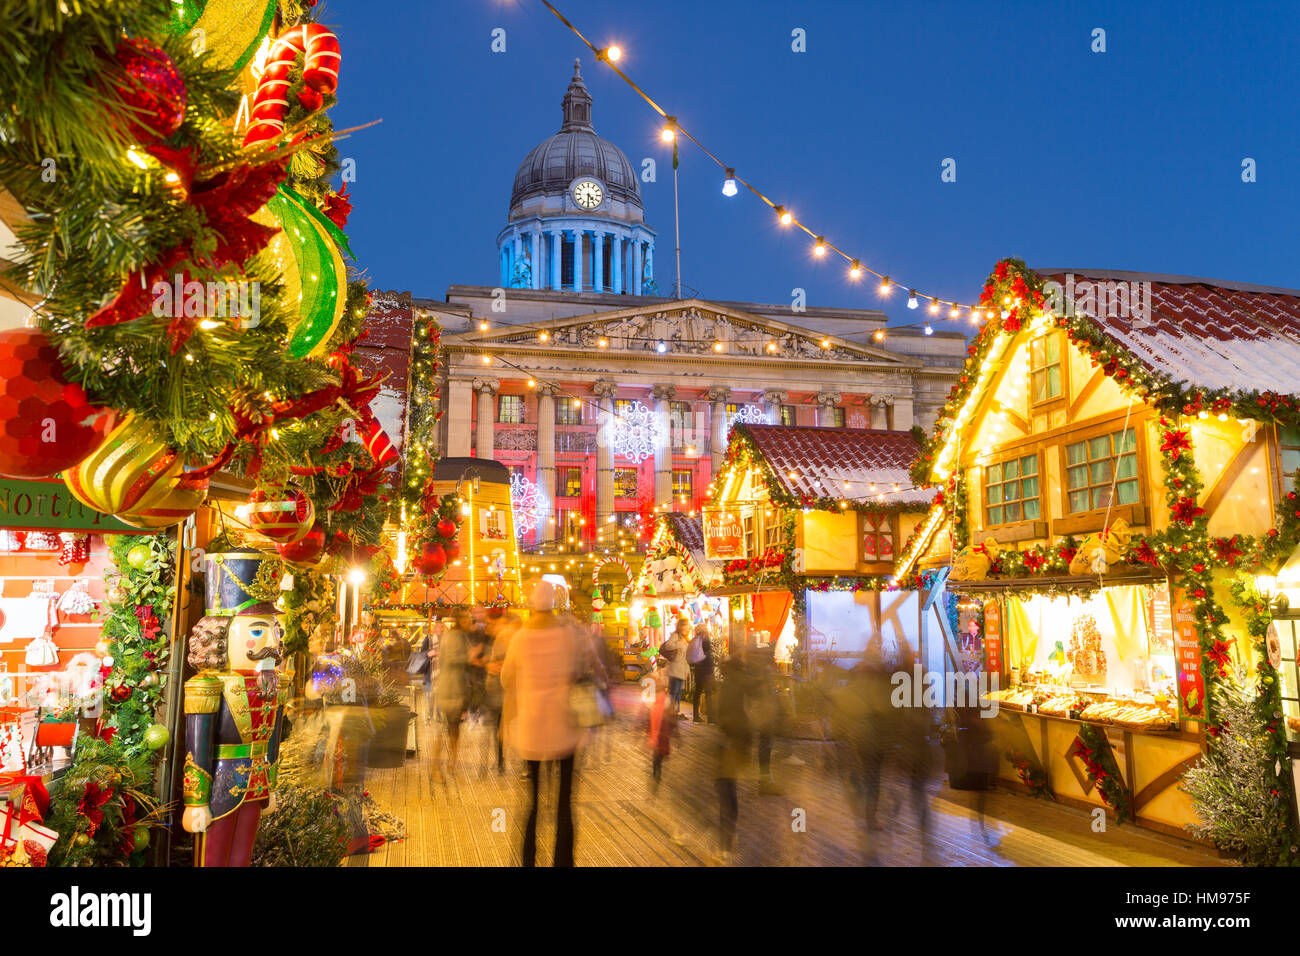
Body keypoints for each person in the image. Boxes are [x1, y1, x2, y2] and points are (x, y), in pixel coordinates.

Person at [501, 581, 581, 867]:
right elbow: (577, 670)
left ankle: (528, 860)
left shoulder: (521, 638)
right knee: (564, 802)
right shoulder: (566, 635)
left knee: (533, 801)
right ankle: (563, 862)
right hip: (564, 727)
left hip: (532, 730)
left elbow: (506, 678)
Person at [713, 656, 751, 863]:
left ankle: (725, 844)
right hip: (739, 743)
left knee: (725, 792)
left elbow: (722, 716)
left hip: (728, 743)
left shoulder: (727, 687)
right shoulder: (743, 685)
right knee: (729, 792)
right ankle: (728, 839)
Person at [433, 610, 471, 777]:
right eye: (467, 618)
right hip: (453, 688)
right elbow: (451, 659)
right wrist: (470, 657)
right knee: (452, 728)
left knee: (447, 728)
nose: (470, 622)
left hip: (446, 686)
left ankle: (444, 764)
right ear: (461, 620)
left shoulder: (450, 636)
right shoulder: (458, 636)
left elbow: (443, 660)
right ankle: (448, 764)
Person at [484, 613, 520, 774]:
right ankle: (502, 761)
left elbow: (499, 663)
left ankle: (501, 762)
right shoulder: (509, 636)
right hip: (503, 689)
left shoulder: (506, 636)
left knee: (501, 727)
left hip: (503, 689)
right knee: (505, 726)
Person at [661, 618, 691, 717]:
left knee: (678, 692)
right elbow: (668, 646)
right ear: (681, 626)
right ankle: (671, 712)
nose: (688, 627)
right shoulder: (676, 636)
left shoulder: (684, 637)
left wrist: (687, 670)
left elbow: (685, 657)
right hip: (674, 668)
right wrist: (679, 644)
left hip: (681, 669)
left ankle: (676, 712)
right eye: (686, 625)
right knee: (674, 692)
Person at [688, 624, 715, 723]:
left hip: (699, 669)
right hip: (707, 669)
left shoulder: (695, 640)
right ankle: (711, 718)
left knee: (698, 692)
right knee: (708, 693)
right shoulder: (705, 639)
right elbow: (707, 654)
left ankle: (696, 716)